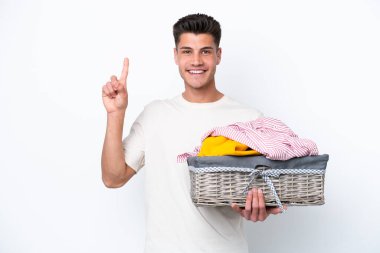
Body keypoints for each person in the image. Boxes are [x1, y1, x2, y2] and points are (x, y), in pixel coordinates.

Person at [101, 13, 284, 253]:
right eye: (187, 51)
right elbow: (113, 178)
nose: (196, 61)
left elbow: (268, 190)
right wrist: (116, 114)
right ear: (175, 56)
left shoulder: (249, 118)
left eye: (205, 51)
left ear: (218, 55)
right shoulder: (155, 114)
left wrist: (260, 207)